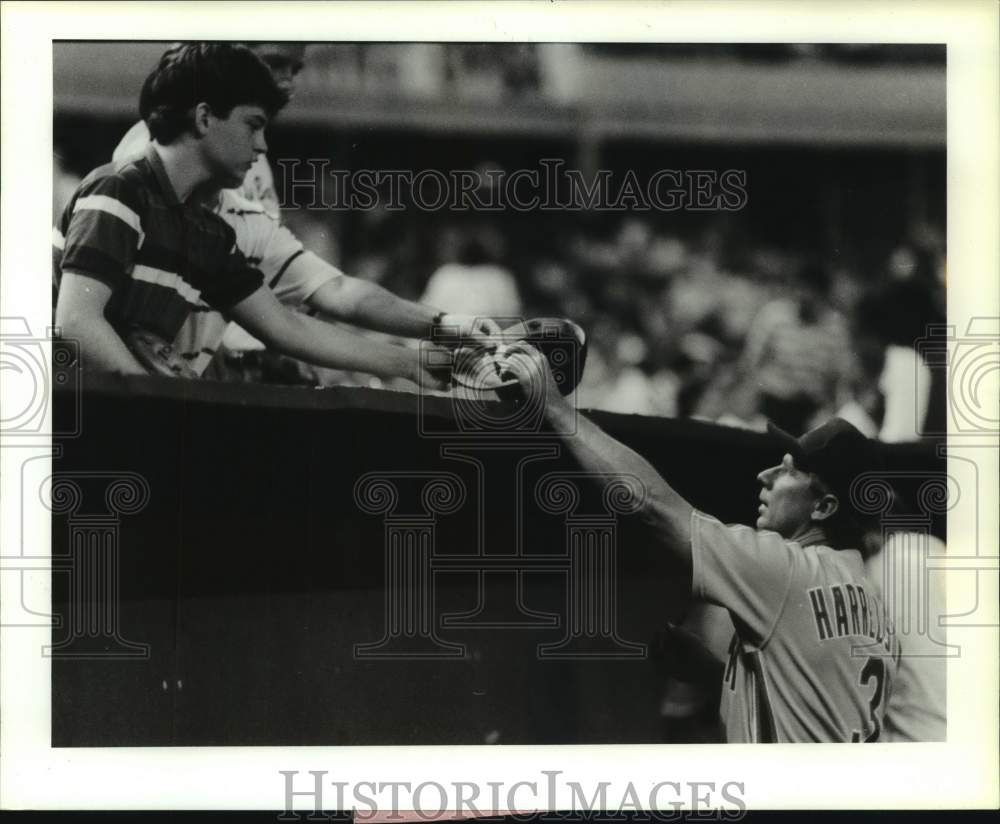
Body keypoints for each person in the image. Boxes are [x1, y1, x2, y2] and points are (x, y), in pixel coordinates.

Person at [501, 343, 901, 743]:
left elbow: (650, 504)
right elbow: (808, 709)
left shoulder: (787, 570)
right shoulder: (877, 607)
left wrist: (554, 407)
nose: (765, 475)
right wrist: (712, 673)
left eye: (788, 472)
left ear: (824, 507)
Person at [53, 43, 453, 386]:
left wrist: (411, 363)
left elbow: (284, 326)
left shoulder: (207, 230)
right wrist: (156, 403)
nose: (261, 146)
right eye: (253, 125)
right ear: (204, 117)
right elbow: (75, 323)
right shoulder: (119, 189)